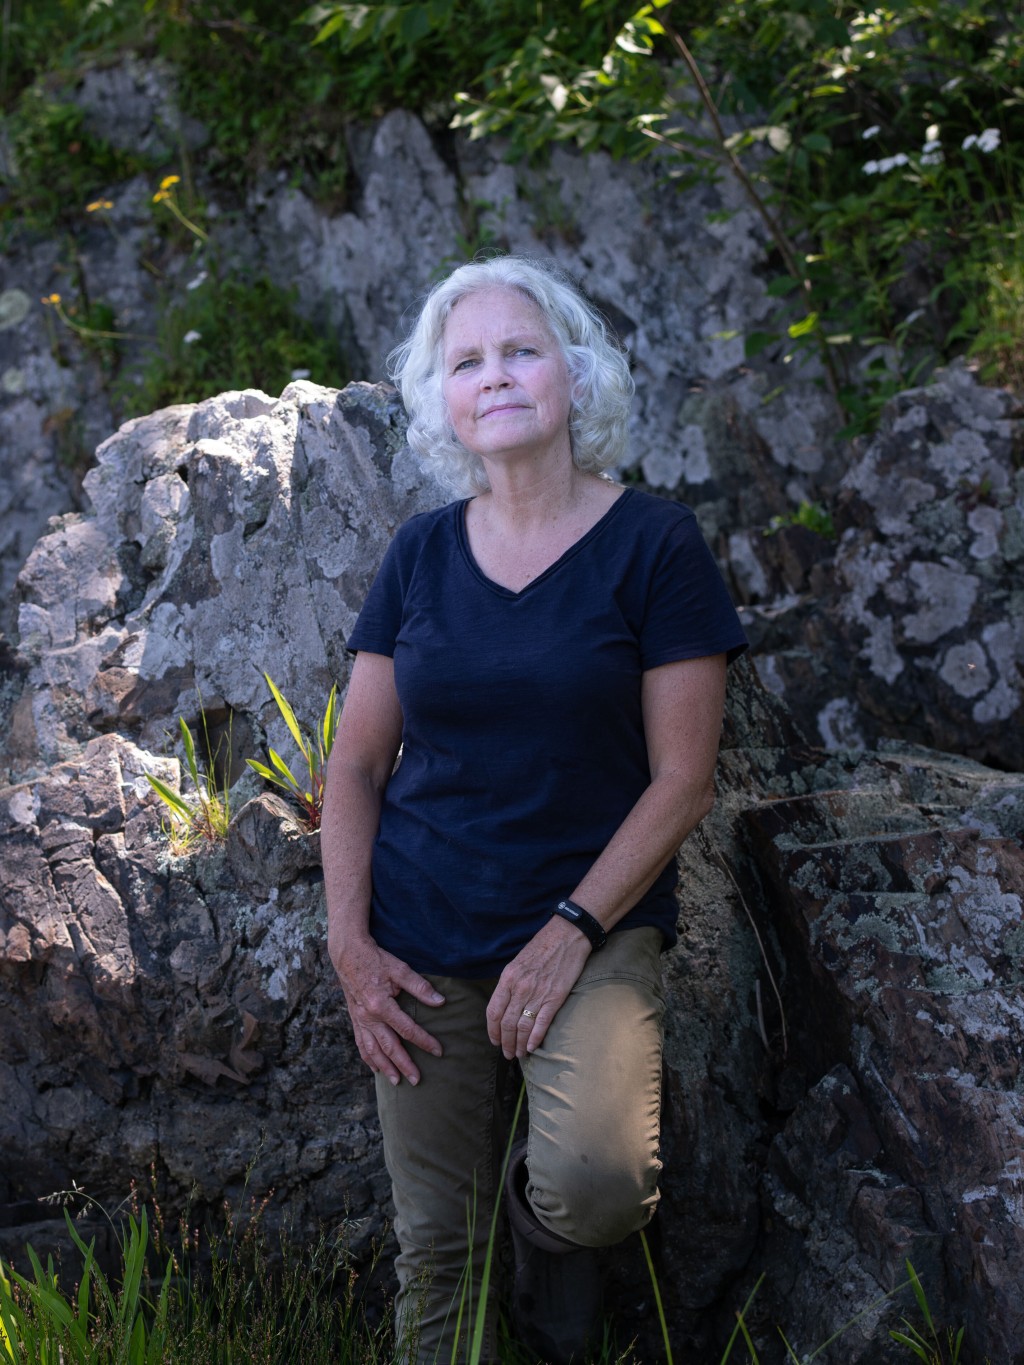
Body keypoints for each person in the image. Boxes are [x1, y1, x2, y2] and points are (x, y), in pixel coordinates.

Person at [321, 254, 747, 1364]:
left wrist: (571, 932)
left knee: (599, 1189)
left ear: (574, 370)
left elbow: (681, 780)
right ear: (442, 402)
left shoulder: (656, 545)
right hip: (422, 934)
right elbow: (357, 767)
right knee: (435, 1254)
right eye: (466, 361)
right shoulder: (417, 554)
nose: (495, 376)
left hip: (592, 925)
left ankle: (549, 1264)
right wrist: (352, 949)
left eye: (520, 350)